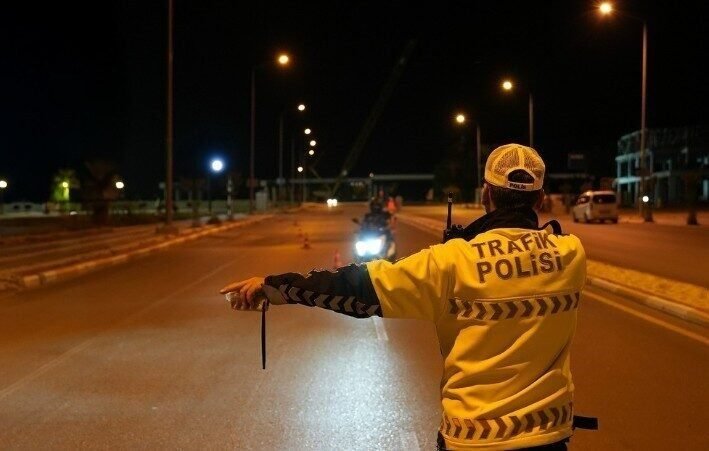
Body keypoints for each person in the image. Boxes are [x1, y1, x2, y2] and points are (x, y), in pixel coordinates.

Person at [220, 143, 586, 450]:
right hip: (549, 436)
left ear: (486, 194)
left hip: (475, 439)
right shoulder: (571, 254)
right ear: (540, 198)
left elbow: (357, 287)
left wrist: (274, 286)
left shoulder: (451, 261)